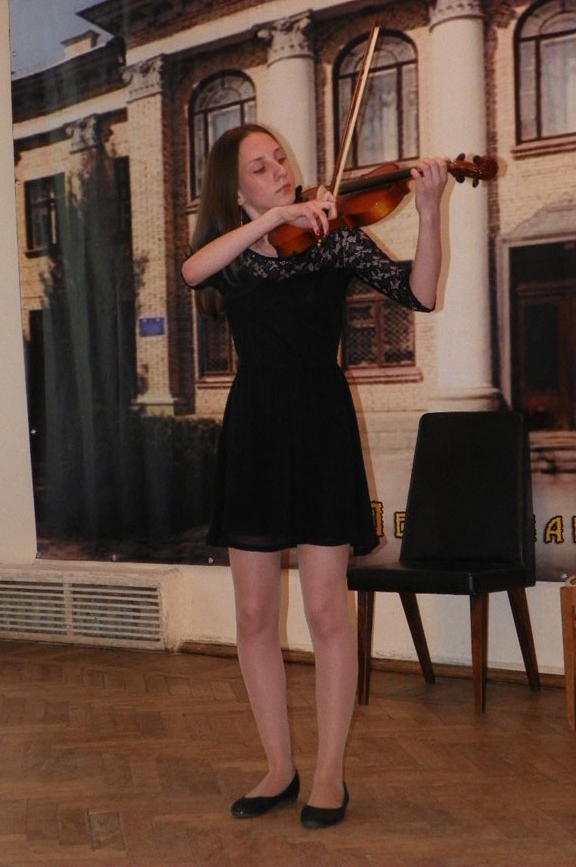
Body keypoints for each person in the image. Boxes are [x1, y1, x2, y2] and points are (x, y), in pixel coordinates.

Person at [181, 123, 448, 829]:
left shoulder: (335, 239)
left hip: (321, 426)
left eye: (280, 159)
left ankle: (329, 773)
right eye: (260, 167)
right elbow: (192, 271)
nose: (280, 170)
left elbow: (419, 294)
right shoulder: (236, 254)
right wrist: (272, 218)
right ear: (236, 190)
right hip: (256, 431)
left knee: (328, 612)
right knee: (254, 615)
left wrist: (428, 213)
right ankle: (279, 766)